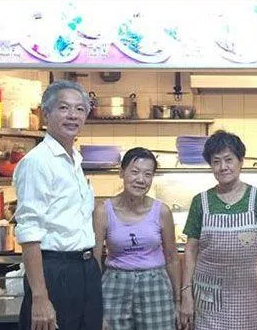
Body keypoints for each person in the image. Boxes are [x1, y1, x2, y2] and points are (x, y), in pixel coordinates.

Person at [14, 80, 102, 330]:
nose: (73, 115)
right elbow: (29, 232)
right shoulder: (38, 162)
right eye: (64, 108)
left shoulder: (74, 160)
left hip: (85, 270)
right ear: (46, 113)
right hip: (56, 271)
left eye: (80, 109)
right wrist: (40, 297)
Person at [179, 130, 257, 329]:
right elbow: (191, 250)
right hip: (208, 295)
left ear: (241, 161)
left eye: (229, 160)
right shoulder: (200, 201)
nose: (223, 167)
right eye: (216, 161)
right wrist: (186, 294)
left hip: (250, 294)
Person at [93, 147, 180, 330]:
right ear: (121, 173)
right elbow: (95, 259)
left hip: (155, 285)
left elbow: (172, 258)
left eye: (148, 174)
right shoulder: (103, 211)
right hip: (115, 285)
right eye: (134, 172)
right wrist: (93, 304)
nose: (141, 179)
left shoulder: (162, 211)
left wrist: (178, 301)